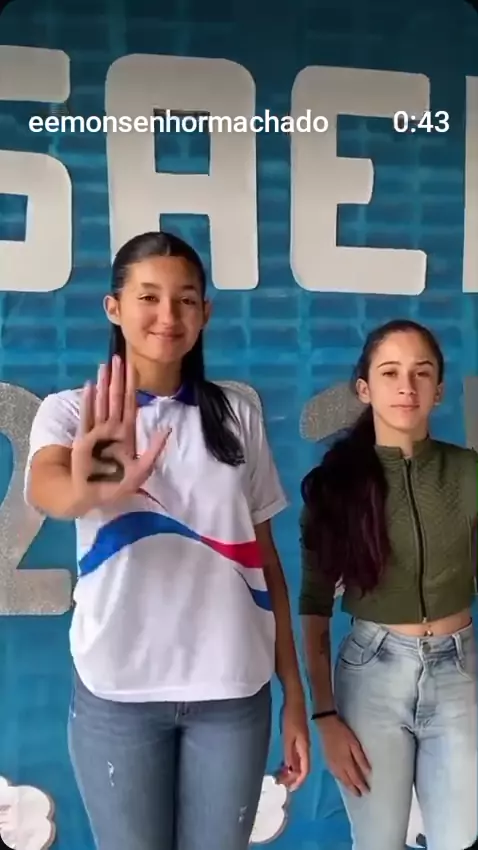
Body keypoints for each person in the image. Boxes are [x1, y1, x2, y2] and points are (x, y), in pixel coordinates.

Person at [24, 231, 310, 850]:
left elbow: (266, 563)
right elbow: (50, 492)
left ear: (205, 313)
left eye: (185, 299)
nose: (168, 315)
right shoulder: (71, 413)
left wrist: (294, 693)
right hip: (118, 694)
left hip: (232, 692)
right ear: (114, 307)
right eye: (148, 297)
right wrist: (93, 485)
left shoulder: (237, 415)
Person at [299, 319, 477, 850]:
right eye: (390, 372)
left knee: (459, 840)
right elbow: (314, 605)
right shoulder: (336, 486)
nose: (407, 386)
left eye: (421, 373)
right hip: (372, 675)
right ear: (364, 388)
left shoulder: (468, 473)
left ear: (438, 390)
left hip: (459, 671)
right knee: (377, 842)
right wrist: (325, 716)